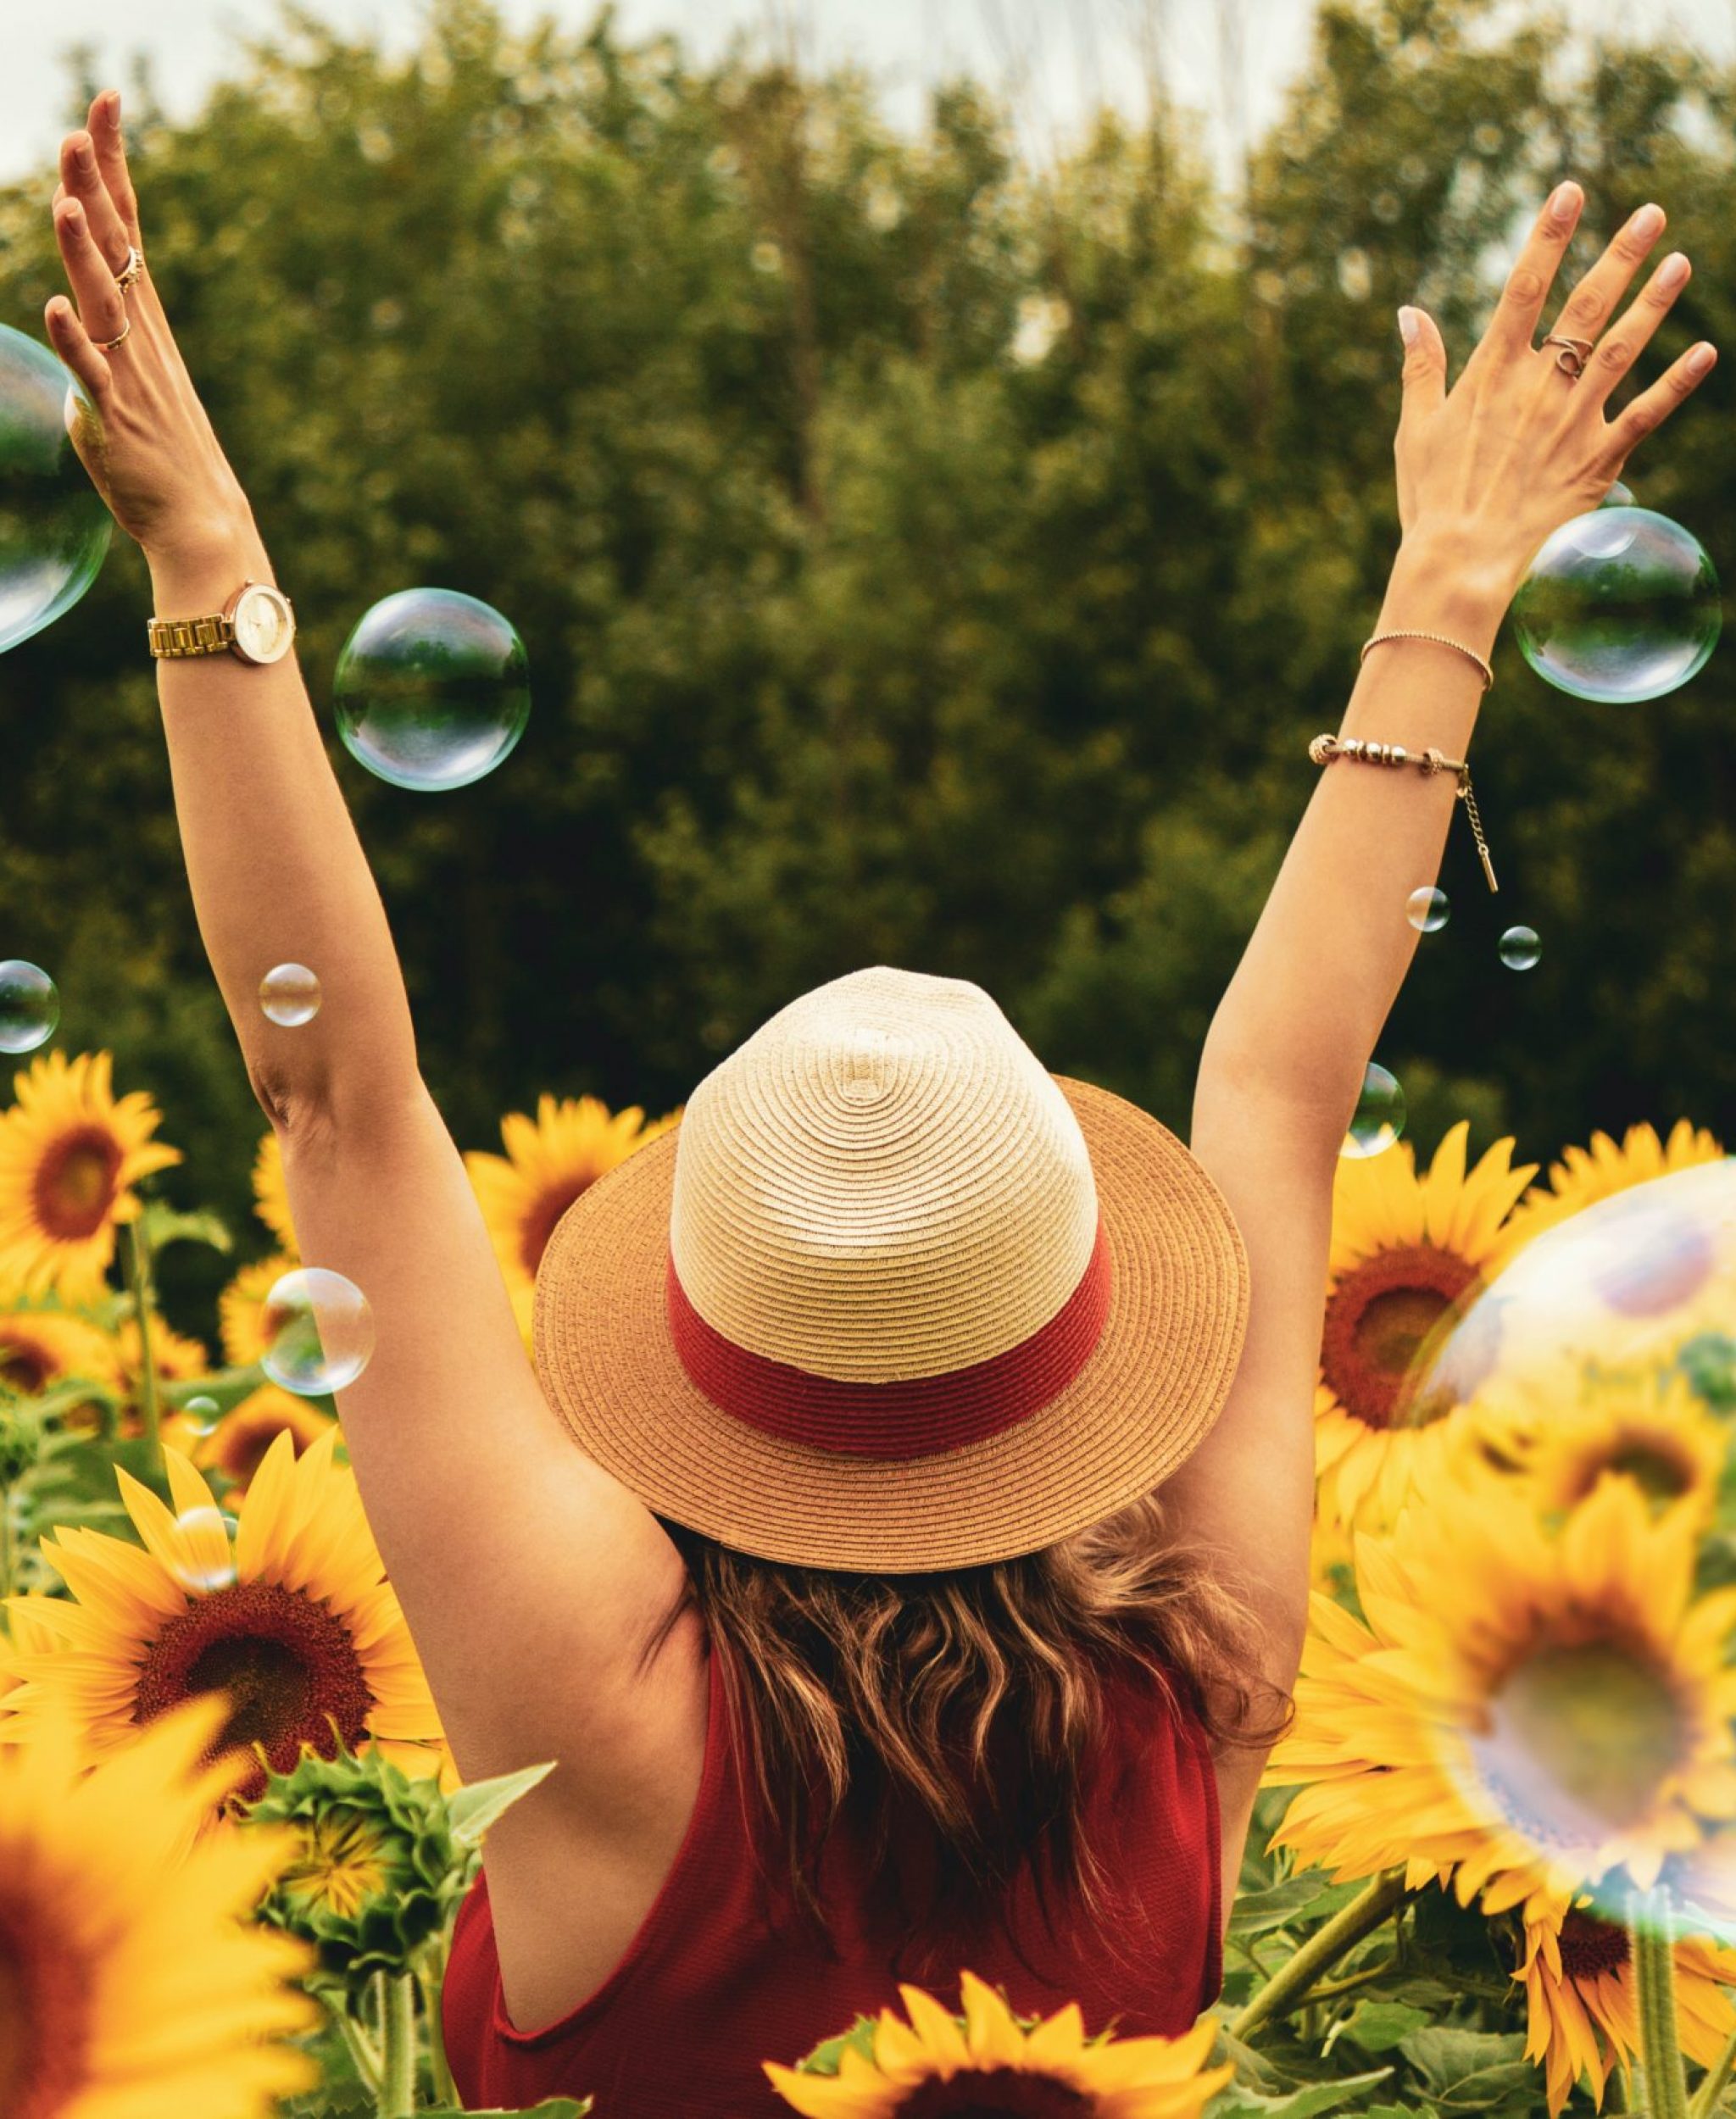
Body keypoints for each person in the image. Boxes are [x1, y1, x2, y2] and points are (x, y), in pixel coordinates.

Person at [40, 87, 1715, 2115]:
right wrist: (1448, 585)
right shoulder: (1200, 1692)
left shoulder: (600, 1708)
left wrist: (208, 556)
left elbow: (339, 1101)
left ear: (706, 1337)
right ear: (1076, 1330)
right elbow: (1277, 1092)